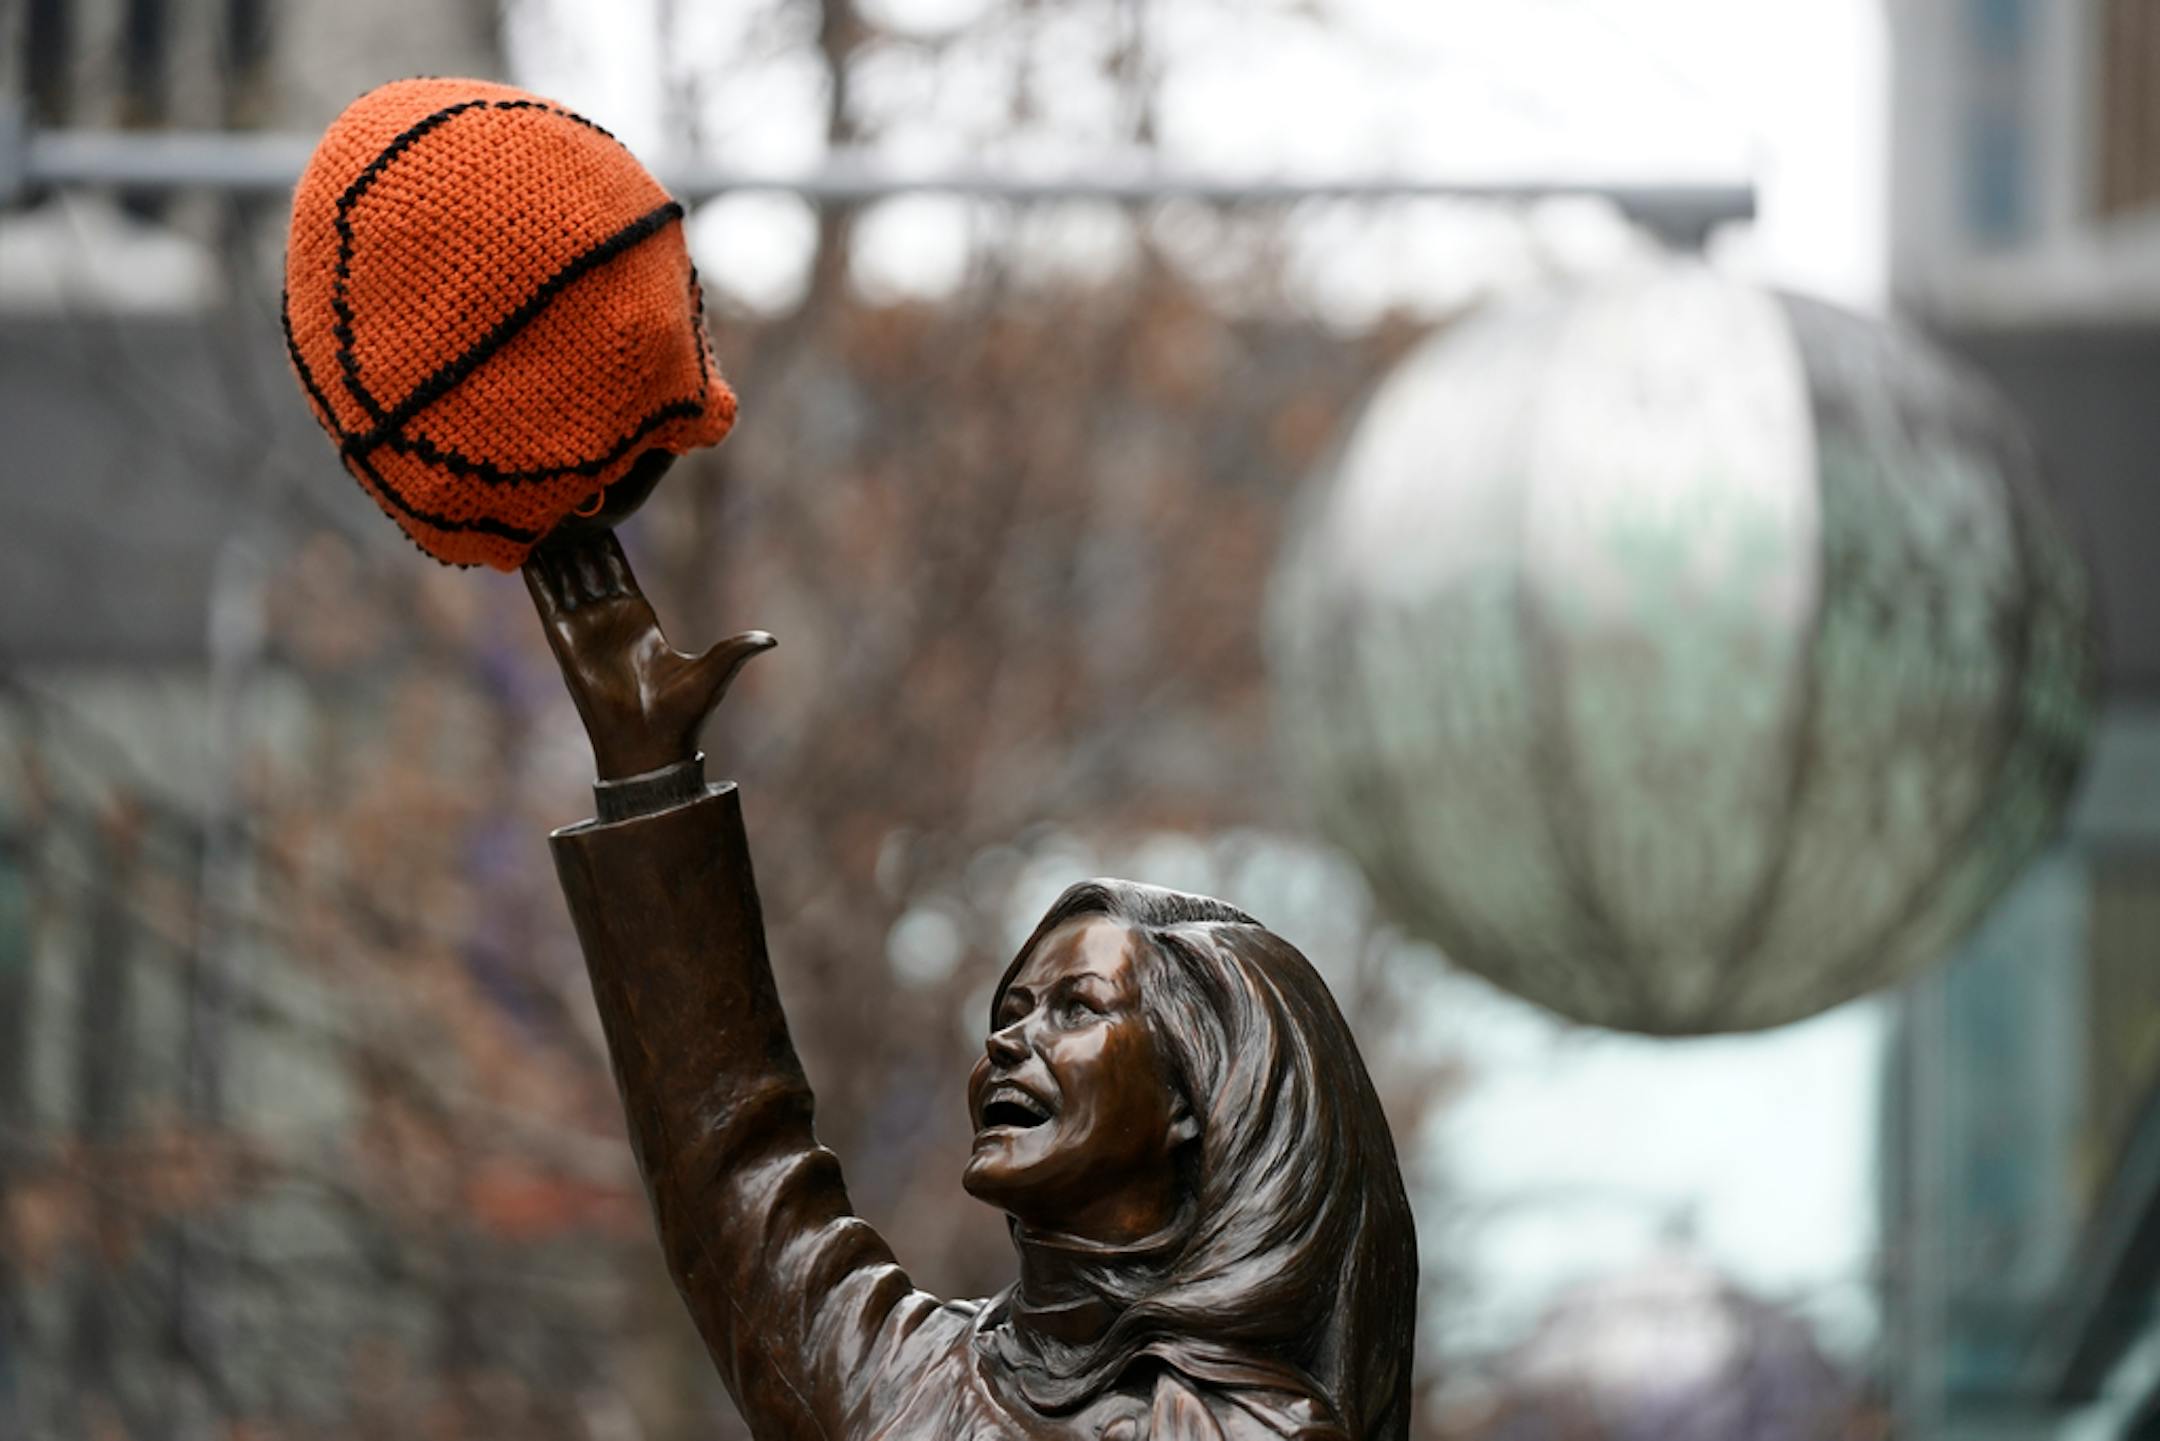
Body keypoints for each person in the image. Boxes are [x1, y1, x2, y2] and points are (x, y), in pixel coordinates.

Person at [528, 526, 1418, 1441]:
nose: (1006, 1039)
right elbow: (735, 1167)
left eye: (1076, 1008)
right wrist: (649, 776)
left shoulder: (1256, 1431)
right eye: (1012, 1008)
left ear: (1192, 1099)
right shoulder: (911, 1378)